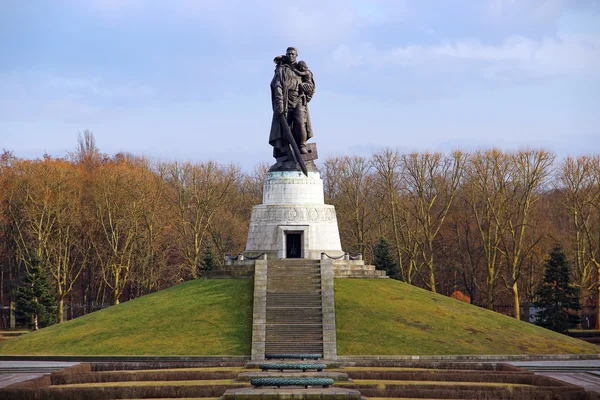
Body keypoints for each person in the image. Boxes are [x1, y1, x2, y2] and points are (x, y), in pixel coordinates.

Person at [268, 47, 314, 162]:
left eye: (293, 54)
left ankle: (302, 145)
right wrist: (279, 101)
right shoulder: (282, 69)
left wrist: (307, 88)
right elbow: (276, 84)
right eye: (289, 54)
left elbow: (310, 84)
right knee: (285, 127)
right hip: (285, 99)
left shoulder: (301, 68)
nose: (291, 56)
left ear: (296, 55)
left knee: (300, 123)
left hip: (298, 99)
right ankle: (285, 149)